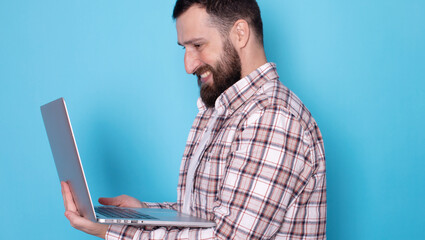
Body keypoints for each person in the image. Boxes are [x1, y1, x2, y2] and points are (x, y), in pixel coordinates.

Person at [61, 0, 327, 239]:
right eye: (185, 48)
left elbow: (225, 238)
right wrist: (145, 213)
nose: (188, 65)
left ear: (240, 33)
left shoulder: (272, 119)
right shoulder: (222, 109)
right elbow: (207, 217)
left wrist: (113, 231)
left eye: (198, 45)